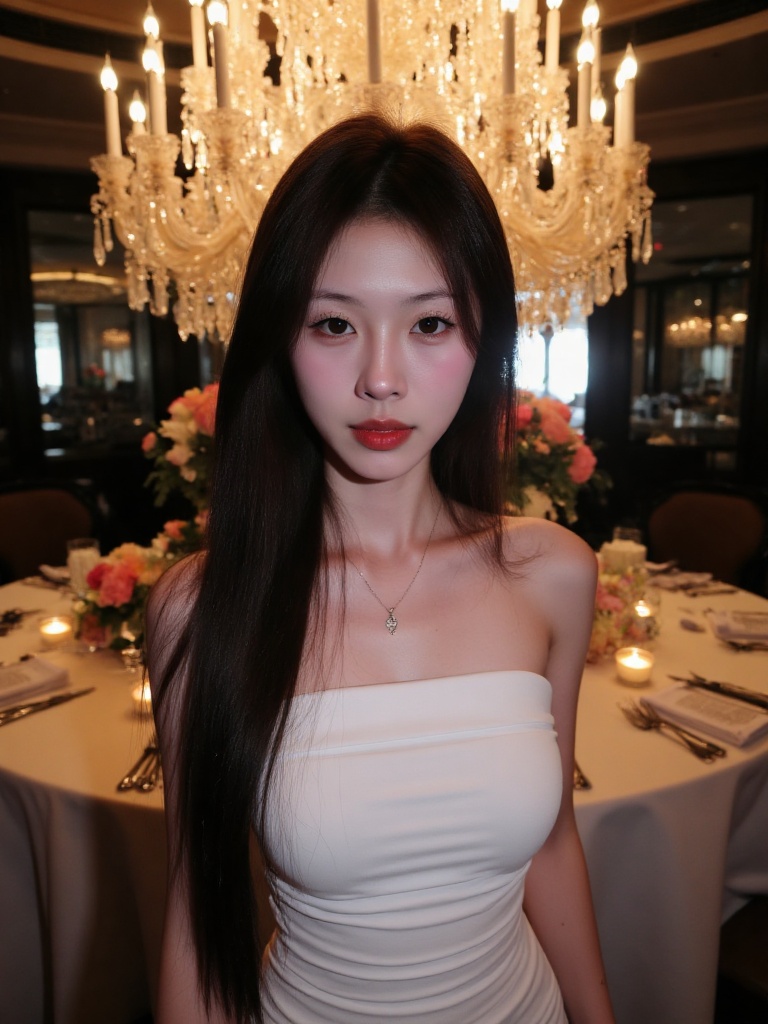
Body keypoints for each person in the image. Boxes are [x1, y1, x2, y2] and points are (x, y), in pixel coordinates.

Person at [147, 112, 615, 1024]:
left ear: (484, 343)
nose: (382, 379)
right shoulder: (202, 607)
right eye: (333, 324)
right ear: (280, 343)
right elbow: (197, 911)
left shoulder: (553, 574)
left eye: (431, 322)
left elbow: (552, 841)